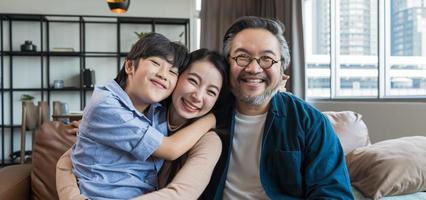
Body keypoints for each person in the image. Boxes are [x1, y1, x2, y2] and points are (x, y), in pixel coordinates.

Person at [201, 16, 354, 199]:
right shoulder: (206, 112)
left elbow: (333, 193)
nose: (254, 68)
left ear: (282, 68)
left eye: (266, 58)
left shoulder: (309, 122)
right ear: (226, 64)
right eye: (242, 57)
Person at [57, 48, 230, 199]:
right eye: (193, 81)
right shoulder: (147, 115)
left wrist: (211, 119)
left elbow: (180, 195)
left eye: (211, 91)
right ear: (176, 77)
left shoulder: (209, 141)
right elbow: (68, 160)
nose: (198, 96)